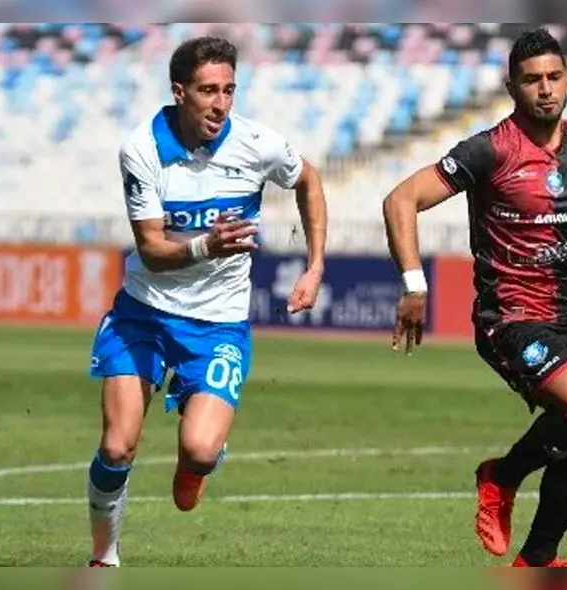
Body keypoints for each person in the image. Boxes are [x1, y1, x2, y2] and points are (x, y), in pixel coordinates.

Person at [382, 28, 567, 568]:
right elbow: (401, 199)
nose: (546, 89)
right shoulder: (490, 149)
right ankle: (501, 476)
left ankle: (537, 560)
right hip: (509, 318)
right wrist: (414, 285)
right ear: (513, 87)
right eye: (532, 80)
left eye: (554, 77)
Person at [85, 36, 328, 567]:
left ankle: (196, 464)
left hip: (218, 323)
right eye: (208, 91)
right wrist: (205, 245)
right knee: (117, 446)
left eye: (229, 90)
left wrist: (314, 266)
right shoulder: (142, 149)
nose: (220, 103)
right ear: (179, 92)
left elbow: (308, 179)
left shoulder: (257, 143)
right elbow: (151, 250)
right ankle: (104, 558)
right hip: (143, 312)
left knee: (198, 448)